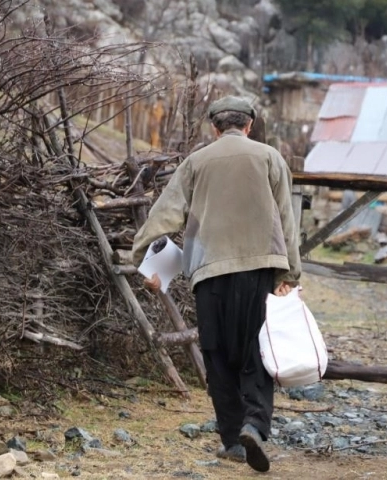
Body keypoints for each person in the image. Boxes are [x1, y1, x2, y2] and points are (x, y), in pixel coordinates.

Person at [128, 95, 301, 473]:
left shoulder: (196, 162)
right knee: (257, 351)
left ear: (214, 128)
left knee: (217, 356)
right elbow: (287, 219)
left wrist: (137, 256)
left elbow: (166, 213)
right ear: (249, 125)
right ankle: (254, 424)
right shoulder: (270, 157)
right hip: (259, 269)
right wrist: (290, 274)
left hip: (210, 273)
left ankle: (230, 441)